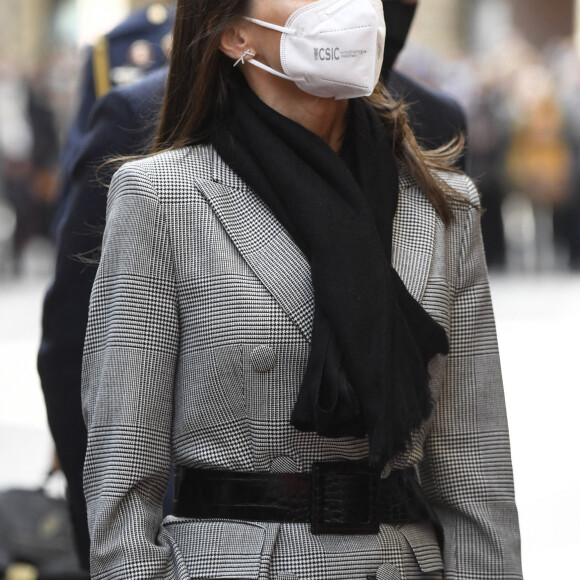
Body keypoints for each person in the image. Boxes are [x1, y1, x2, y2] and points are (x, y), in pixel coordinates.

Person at [81, 1, 522, 579]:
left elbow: (475, 473)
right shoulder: (163, 198)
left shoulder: (444, 207)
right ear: (237, 35)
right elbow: (122, 477)